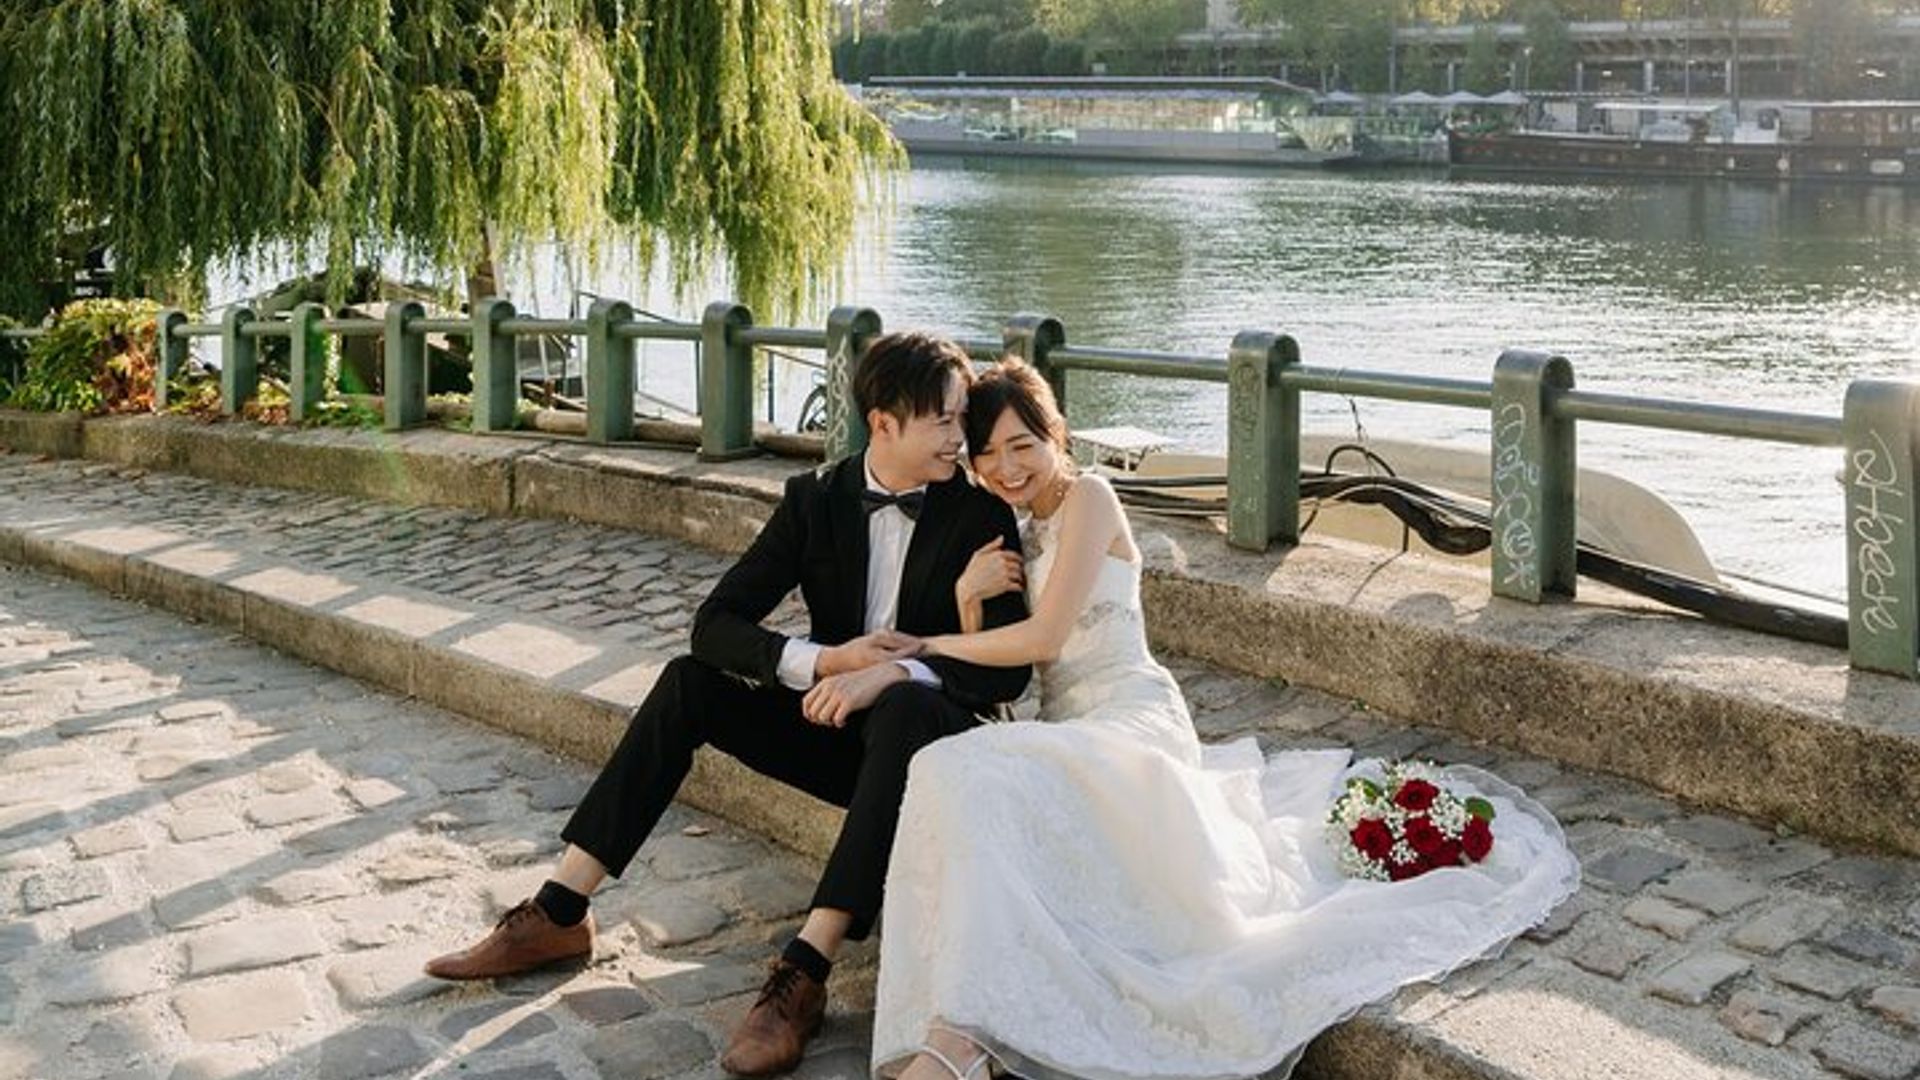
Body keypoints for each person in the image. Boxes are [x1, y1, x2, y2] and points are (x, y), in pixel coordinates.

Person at [872, 359, 1581, 1080]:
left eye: (1021, 445)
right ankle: (962, 1027)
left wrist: (924, 644)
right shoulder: (1016, 536)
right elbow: (1010, 681)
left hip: (1130, 715)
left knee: (954, 766)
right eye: (985, 454)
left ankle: (959, 1042)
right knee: (961, 779)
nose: (1004, 467)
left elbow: (1049, 637)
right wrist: (966, 600)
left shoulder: (1091, 497)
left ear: (1055, 435)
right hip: (1068, 727)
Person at [422, 332, 1031, 1077]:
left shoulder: (980, 517)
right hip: (835, 730)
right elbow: (715, 626)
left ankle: (804, 972)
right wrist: (828, 660)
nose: (959, 437)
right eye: (942, 420)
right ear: (883, 423)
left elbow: (1005, 681)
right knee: (688, 681)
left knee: (902, 709)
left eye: (961, 418)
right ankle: (560, 911)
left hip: (935, 750)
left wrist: (902, 672)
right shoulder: (816, 501)